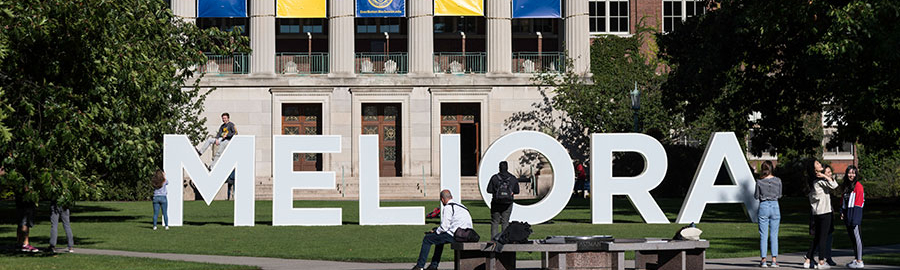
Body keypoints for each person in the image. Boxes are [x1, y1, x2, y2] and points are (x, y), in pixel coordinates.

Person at [411, 190, 473, 270]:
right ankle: (433, 266)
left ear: (442, 199)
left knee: (427, 239)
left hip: (455, 235)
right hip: (467, 235)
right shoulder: (461, 206)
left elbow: (444, 227)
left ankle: (420, 266)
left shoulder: (448, 207)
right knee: (439, 240)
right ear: (451, 197)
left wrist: (436, 231)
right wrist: (437, 231)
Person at [804, 160, 838, 269]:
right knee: (823, 238)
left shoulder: (812, 182)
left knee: (818, 237)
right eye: (818, 164)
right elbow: (834, 185)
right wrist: (825, 176)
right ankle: (821, 262)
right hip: (825, 212)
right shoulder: (819, 181)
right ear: (814, 169)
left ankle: (808, 258)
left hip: (816, 213)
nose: (820, 165)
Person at [754, 161, 781, 268]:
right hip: (775, 206)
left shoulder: (759, 182)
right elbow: (779, 194)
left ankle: (764, 260)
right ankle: (774, 260)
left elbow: (756, 196)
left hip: (764, 205)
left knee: (763, 235)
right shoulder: (778, 180)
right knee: (774, 234)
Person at [841, 165, 865, 269]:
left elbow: (859, 203)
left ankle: (860, 261)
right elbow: (844, 201)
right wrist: (842, 212)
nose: (851, 175)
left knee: (857, 238)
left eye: (853, 173)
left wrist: (855, 219)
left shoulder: (858, 186)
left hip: (854, 216)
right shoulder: (846, 186)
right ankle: (856, 259)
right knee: (852, 239)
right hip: (848, 216)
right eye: (850, 173)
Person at [487, 161, 519, 238]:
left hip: (496, 203)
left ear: (499, 168)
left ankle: (494, 240)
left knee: (495, 222)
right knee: (505, 222)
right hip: (508, 203)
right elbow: (517, 191)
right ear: (507, 167)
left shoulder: (494, 178)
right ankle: (504, 240)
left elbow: (489, 190)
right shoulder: (512, 178)